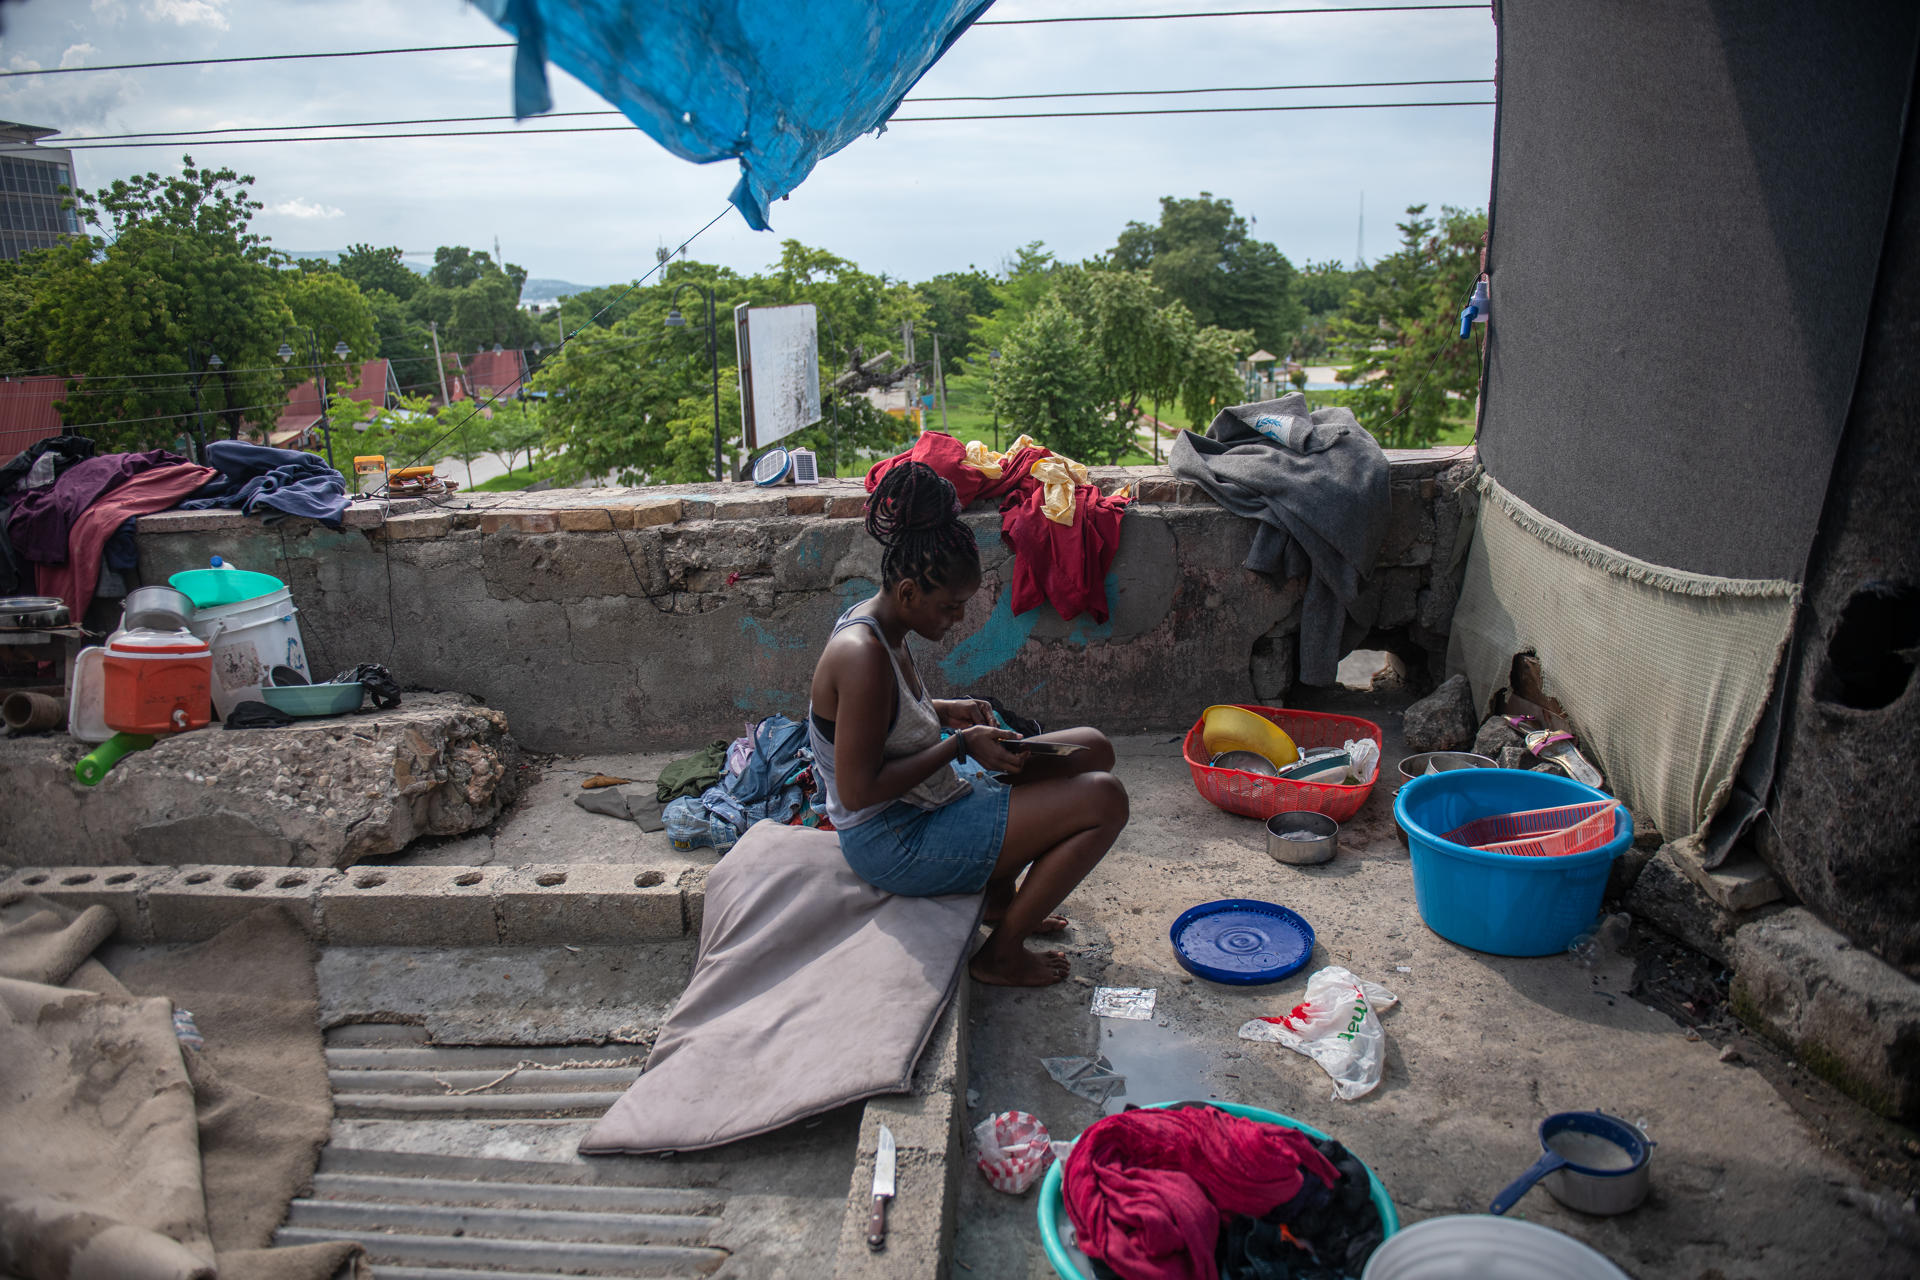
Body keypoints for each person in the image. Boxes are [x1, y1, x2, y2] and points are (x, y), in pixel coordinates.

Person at [807, 460, 1130, 987]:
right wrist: (959, 743)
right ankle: (1000, 954)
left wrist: (940, 709)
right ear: (908, 592)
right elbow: (859, 790)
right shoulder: (861, 655)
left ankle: (1000, 902)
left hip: (928, 797)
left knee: (1092, 749)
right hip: (894, 837)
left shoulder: (882, 624)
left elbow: (878, 721)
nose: (956, 619)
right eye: (950, 607)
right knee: (1103, 799)